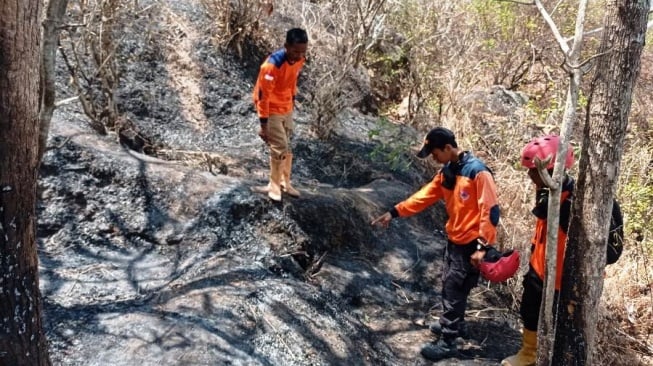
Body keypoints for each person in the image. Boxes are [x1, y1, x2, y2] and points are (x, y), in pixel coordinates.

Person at [371, 127, 501, 361]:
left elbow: (490, 211)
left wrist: (482, 247)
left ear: (448, 148)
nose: (433, 158)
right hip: (455, 240)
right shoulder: (448, 172)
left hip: (472, 243)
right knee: (450, 284)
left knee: (454, 288)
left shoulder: (478, 172)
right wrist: (394, 213)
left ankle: (449, 341)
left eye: (435, 153)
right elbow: (423, 197)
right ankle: (456, 325)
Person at [501, 135, 575, 366]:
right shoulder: (546, 191)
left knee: (564, 329)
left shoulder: (575, 203)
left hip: (565, 280)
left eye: (532, 170)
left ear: (549, 171)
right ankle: (529, 354)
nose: (528, 175)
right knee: (530, 310)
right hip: (539, 268)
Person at [252, 28, 308, 201]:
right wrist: (264, 124)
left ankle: (285, 182)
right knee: (279, 145)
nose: (299, 55)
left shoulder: (300, 60)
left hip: (287, 107)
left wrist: (292, 101)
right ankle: (273, 185)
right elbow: (263, 96)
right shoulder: (271, 65)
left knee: (287, 145)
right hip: (272, 109)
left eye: (302, 52)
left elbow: (292, 82)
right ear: (286, 46)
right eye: (295, 51)